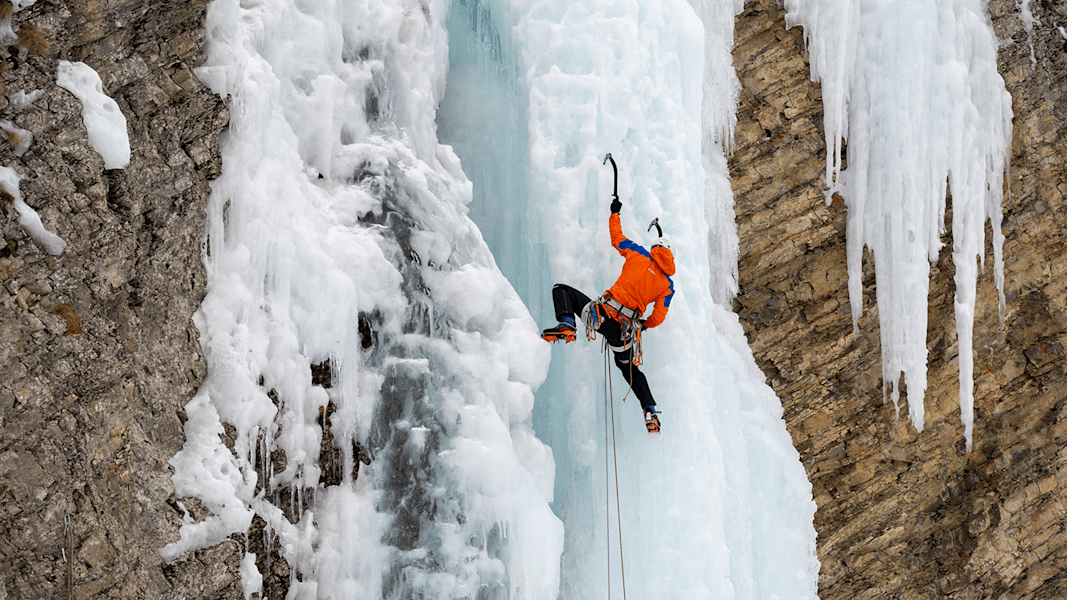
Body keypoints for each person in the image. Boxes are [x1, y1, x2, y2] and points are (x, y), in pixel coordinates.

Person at [541, 193, 675, 433]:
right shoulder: (667, 285)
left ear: (655, 249)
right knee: (629, 369)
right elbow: (659, 317)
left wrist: (615, 213)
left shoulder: (639, 253)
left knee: (562, 290)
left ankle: (568, 325)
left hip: (601, 316)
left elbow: (617, 238)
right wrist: (642, 326)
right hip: (623, 333)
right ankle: (649, 412)